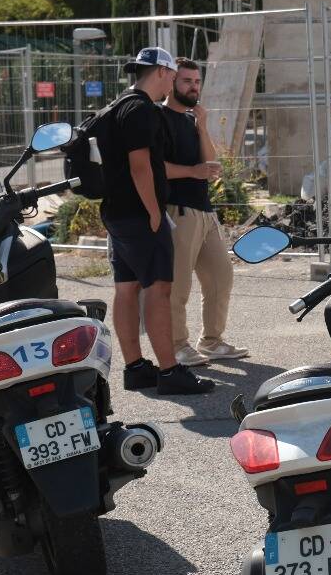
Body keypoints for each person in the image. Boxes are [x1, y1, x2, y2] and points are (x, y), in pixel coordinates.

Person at [98, 46, 211, 395]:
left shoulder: (119, 105)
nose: (173, 84)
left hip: (116, 213)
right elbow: (141, 165)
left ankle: (135, 368)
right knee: (159, 289)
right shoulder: (142, 111)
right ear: (162, 72)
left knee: (126, 288)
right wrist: (152, 212)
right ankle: (169, 370)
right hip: (138, 214)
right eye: (173, 77)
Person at [160, 59, 245, 368]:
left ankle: (211, 341)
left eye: (197, 81)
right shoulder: (160, 118)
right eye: (186, 81)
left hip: (204, 212)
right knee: (178, 286)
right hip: (178, 211)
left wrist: (203, 126)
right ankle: (176, 346)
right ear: (171, 83)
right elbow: (154, 169)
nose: (193, 87)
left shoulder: (190, 120)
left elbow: (210, 166)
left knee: (221, 276)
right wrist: (192, 170)